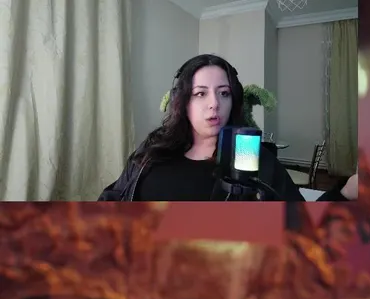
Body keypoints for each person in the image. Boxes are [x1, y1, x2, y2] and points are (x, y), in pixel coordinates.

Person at [98, 55, 354, 202]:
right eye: (200, 93)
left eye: (224, 93)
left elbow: (301, 224)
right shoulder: (153, 148)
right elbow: (113, 197)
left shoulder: (251, 157)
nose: (214, 104)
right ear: (182, 101)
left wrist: (346, 192)